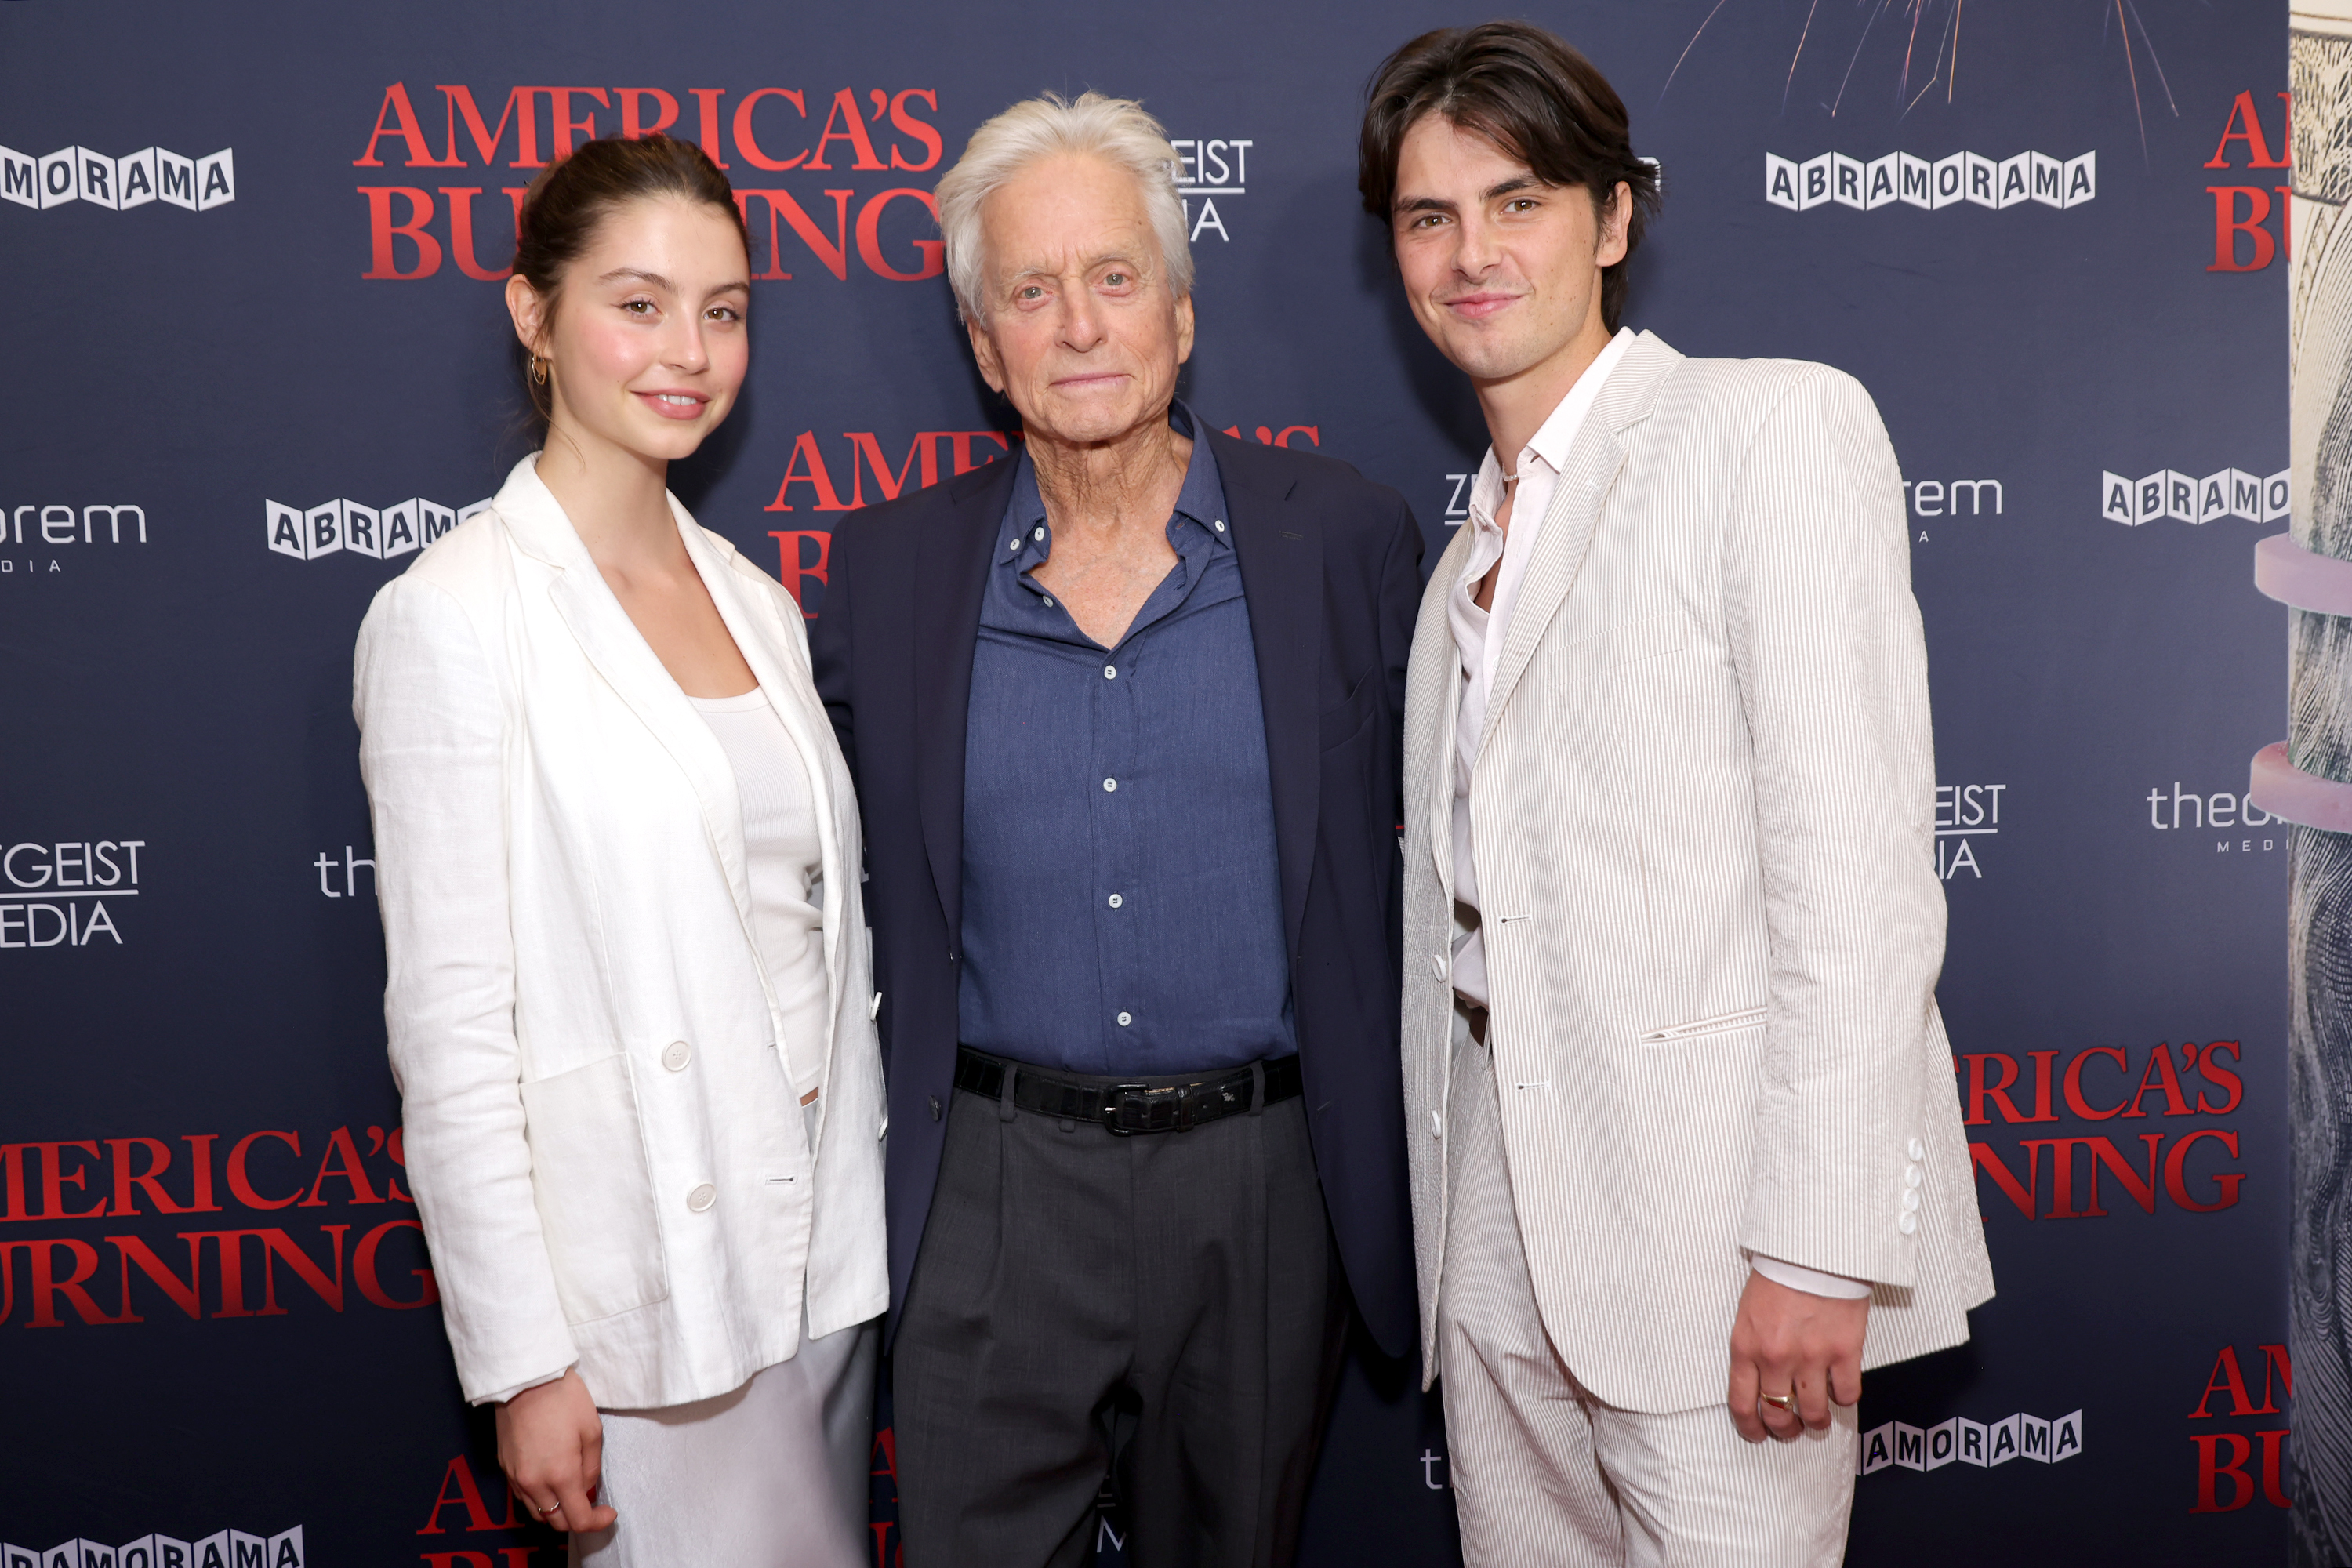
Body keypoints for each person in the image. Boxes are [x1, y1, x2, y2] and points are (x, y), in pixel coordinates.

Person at [1360, 24, 1995, 1566]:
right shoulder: (1464, 561)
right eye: (1429, 218)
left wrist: (1818, 1247)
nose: (1471, 252)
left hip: (1720, 1245)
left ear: (1615, 219)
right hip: (1496, 1241)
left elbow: (1851, 878)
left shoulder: (1763, 432)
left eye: (1518, 202)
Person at [808, 91, 1421, 1568]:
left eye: (1114, 277)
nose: (1078, 325)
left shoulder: (1345, 539)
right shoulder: (886, 573)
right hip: (995, 1191)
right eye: (1031, 290)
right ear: (983, 346)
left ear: (1181, 314)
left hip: (1266, 1183)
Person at [353, 133, 887, 1568]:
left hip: (823, 1267)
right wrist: (525, 1360)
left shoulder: (755, 596)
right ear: (534, 313)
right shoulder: (455, 616)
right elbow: (454, 1031)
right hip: (642, 1292)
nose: (691, 352)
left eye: (723, 310)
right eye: (638, 303)